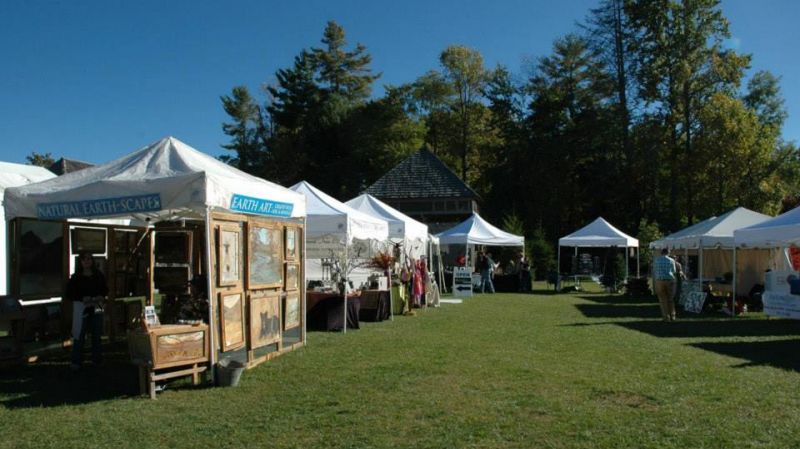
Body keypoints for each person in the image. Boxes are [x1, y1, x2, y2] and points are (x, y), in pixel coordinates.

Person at [65, 251, 108, 370]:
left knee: (97, 333)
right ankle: (76, 361)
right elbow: (70, 294)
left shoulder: (99, 275)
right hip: (81, 307)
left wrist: (101, 296)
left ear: (92, 261)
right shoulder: (76, 277)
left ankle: (97, 360)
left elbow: (105, 289)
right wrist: (82, 298)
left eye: (89, 259)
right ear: (81, 262)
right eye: (84, 259)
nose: (87, 261)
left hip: (98, 306)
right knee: (79, 334)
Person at [653, 248, 677, 321]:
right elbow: (674, 271)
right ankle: (672, 315)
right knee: (670, 299)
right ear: (668, 253)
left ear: (661, 253)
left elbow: (655, 270)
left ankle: (665, 316)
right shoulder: (671, 260)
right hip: (669, 280)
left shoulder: (656, 260)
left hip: (659, 280)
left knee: (662, 299)